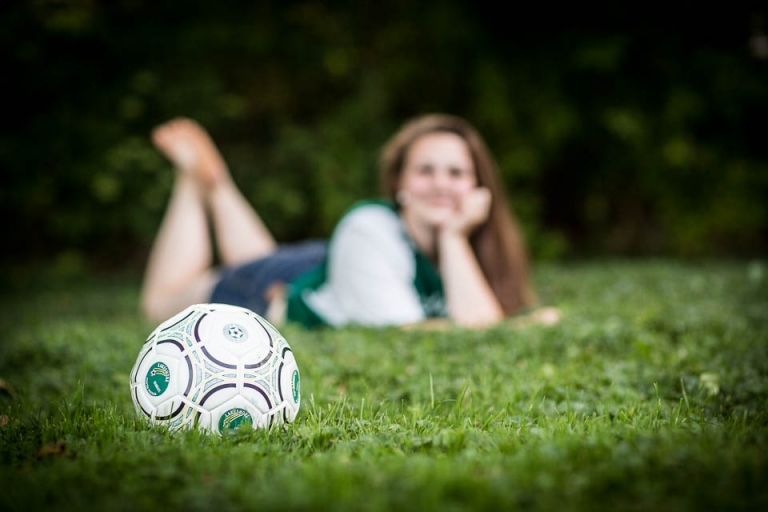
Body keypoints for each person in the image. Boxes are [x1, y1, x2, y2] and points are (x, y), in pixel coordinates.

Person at [140, 114, 558, 329]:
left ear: (479, 185)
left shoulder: (479, 243)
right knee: (159, 305)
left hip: (330, 271)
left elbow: (478, 320)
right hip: (270, 294)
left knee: (265, 257)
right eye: (425, 171)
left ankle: (219, 185)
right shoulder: (369, 226)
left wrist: (453, 238)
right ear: (400, 184)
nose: (441, 185)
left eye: (456, 173)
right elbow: (414, 332)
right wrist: (517, 328)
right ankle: (193, 182)